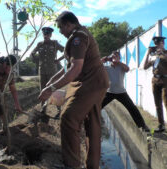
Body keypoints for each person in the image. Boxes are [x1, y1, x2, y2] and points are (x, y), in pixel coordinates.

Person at [38, 11, 109, 169]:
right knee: (92, 124)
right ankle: (92, 165)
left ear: (68, 24)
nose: (60, 31)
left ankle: (71, 165)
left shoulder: (78, 37)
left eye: (60, 28)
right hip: (96, 82)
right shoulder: (81, 34)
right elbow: (69, 67)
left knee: (69, 117)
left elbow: (76, 68)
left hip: (90, 83)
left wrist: (51, 88)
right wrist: (51, 82)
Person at [102, 51, 149, 131]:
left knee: (132, 108)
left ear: (119, 58)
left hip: (121, 92)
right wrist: (104, 60)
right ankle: (87, 119)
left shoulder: (121, 67)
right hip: (110, 92)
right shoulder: (107, 67)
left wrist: (118, 62)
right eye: (113, 56)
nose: (114, 58)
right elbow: (95, 66)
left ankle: (142, 126)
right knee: (97, 106)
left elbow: (127, 69)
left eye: (116, 56)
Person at [30, 26, 64, 117]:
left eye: (48, 34)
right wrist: (37, 60)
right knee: (43, 89)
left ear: (51, 34)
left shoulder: (55, 43)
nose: (46, 35)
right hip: (42, 71)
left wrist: (58, 60)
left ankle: (59, 110)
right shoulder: (39, 44)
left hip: (52, 71)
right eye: (45, 34)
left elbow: (66, 51)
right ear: (43, 34)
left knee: (54, 88)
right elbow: (32, 53)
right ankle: (43, 109)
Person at [144, 36, 167, 132]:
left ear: (163, 43)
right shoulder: (153, 55)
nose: (157, 46)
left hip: (165, 81)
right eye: (156, 44)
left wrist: (162, 53)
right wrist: (148, 54)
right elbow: (145, 67)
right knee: (157, 104)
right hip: (155, 80)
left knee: (166, 103)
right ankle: (161, 125)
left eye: (159, 44)